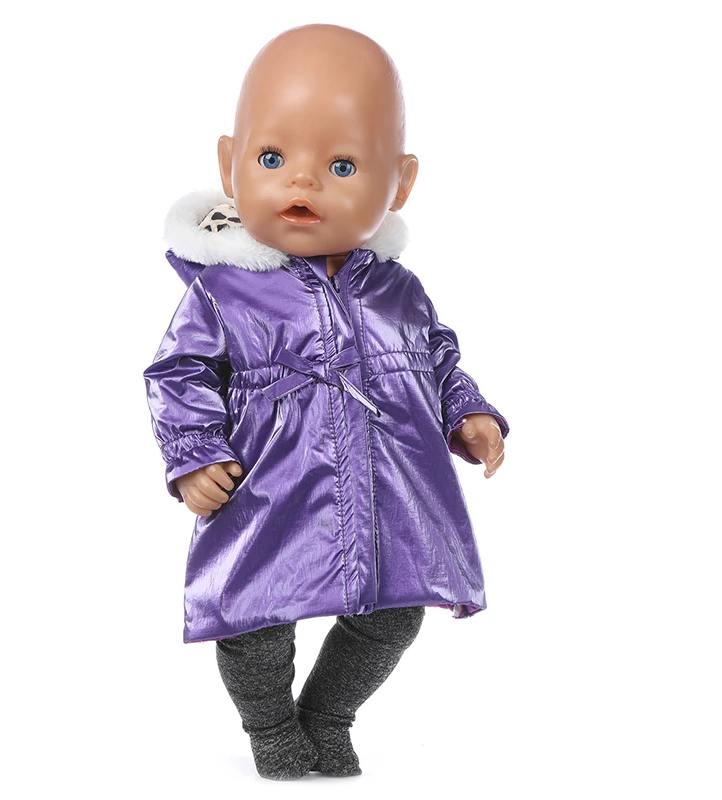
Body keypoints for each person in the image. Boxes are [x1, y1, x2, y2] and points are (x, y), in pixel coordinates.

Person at [143, 24, 509, 780]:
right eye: (272, 159)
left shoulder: (396, 289)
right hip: (267, 480)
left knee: (395, 612)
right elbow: (178, 372)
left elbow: (437, 356)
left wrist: (467, 412)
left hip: (389, 482)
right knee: (253, 615)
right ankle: (272, 727)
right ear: (229, 164)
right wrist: (194, 454)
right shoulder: (225, 289)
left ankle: (328, 716)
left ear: (400, 184)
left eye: (342, 165)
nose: (301, 183)